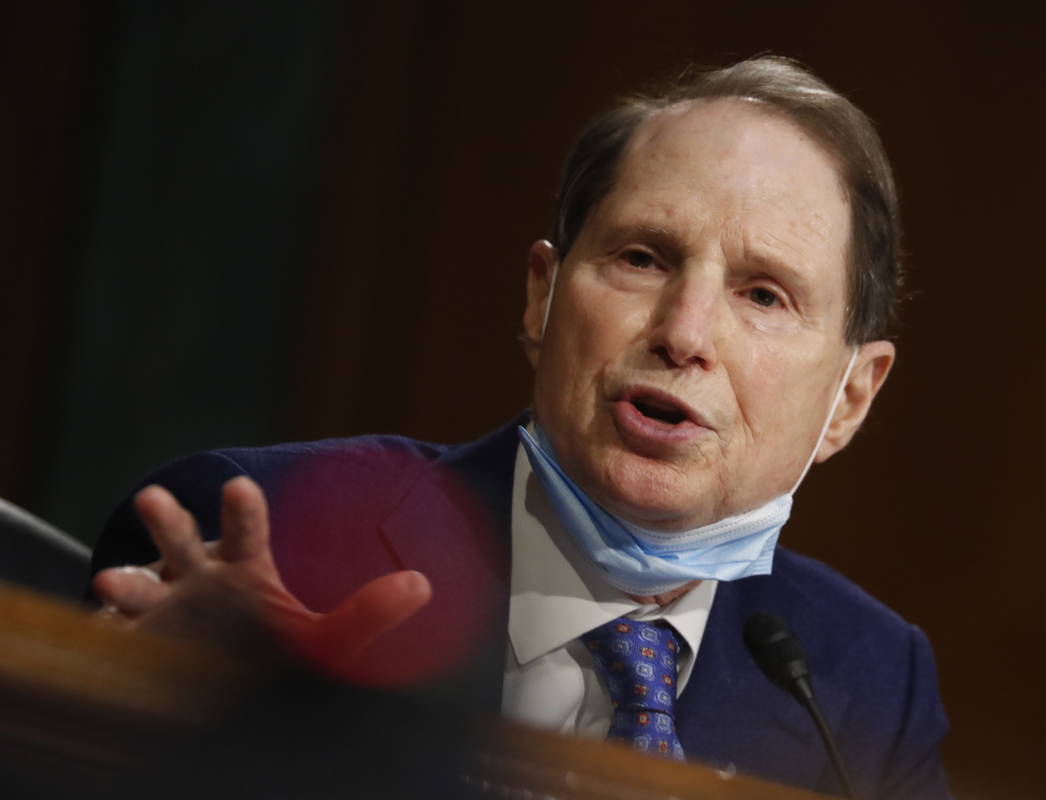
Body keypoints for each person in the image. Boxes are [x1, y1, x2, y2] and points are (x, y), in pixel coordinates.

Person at [90, 56, 952, 799]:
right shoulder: (263, 537)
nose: (684, 334)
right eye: (642, 258)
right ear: (543, 298)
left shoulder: (867, 686)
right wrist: (162, 714)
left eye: (763, 295)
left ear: (850, 399)